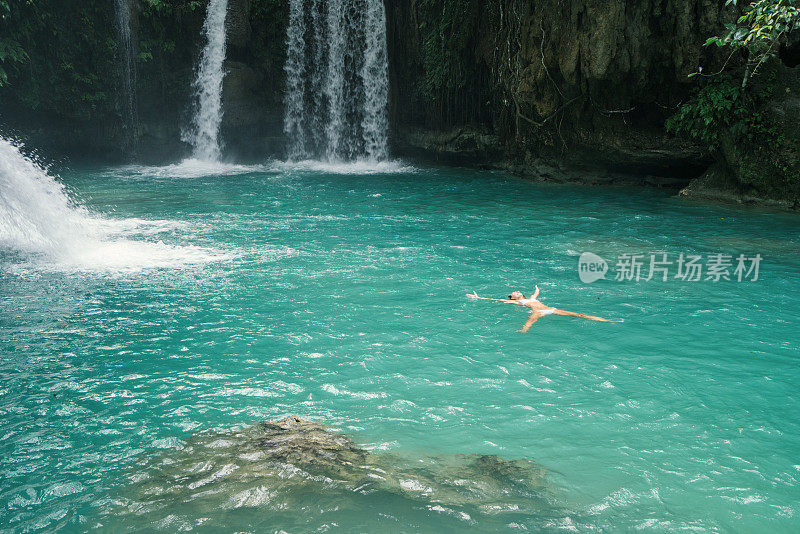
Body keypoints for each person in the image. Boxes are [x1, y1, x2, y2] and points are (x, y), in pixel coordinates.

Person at [467, 285, 623, 332]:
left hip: (550, 309)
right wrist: (479, 297)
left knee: (579, 315)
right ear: (514, 298)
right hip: (537, 312)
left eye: (518, 291)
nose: (517, 292)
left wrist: (536, 288)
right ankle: (523, 331)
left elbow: (536, 293)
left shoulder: (531, 298)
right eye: (515, 293)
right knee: (530, 322)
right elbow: (500, 300)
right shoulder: (518, 303)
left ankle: (608, 321)